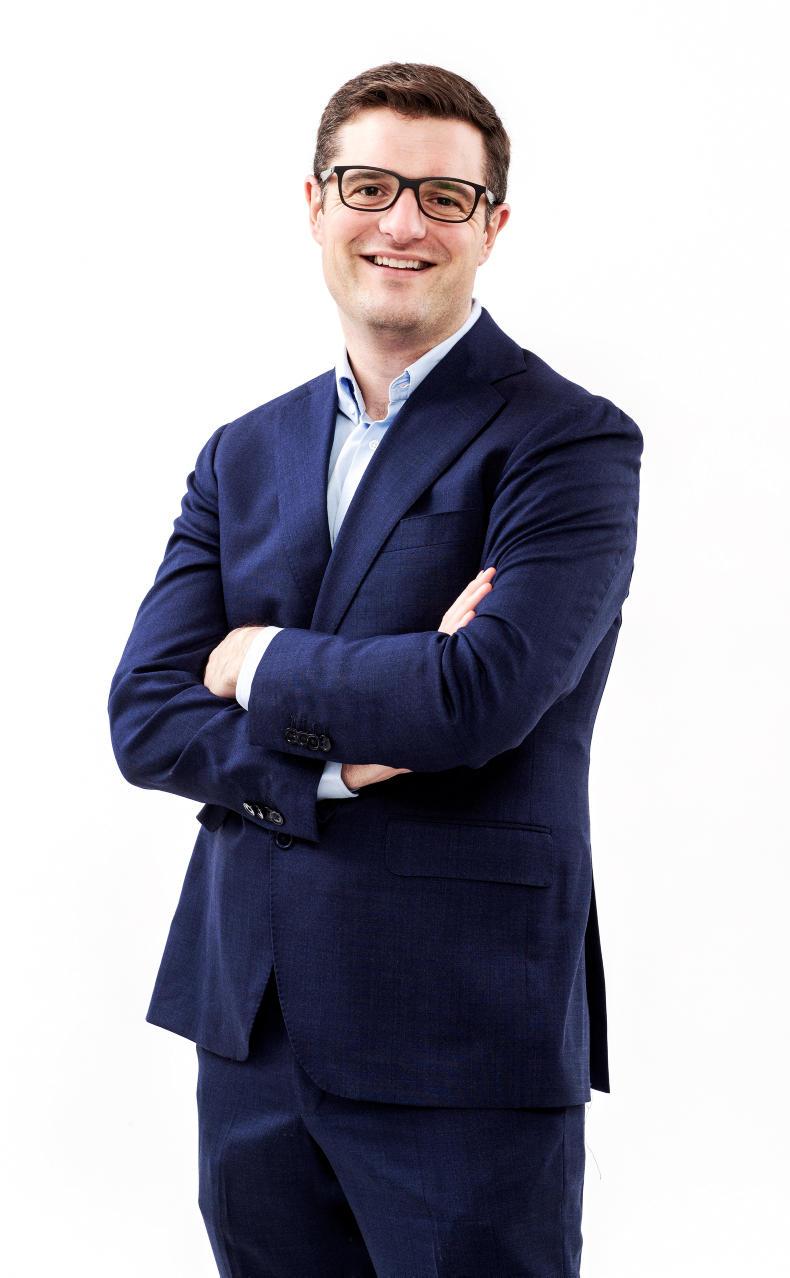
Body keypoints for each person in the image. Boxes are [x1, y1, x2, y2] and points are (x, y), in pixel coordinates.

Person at [108, 60, 643, 1278]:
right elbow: (145, 715)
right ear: (315, 204)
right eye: (368, 186)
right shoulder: (243, 451)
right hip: (248, 1020)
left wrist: (257, 656)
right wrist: (341, 760)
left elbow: (475, 698)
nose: (402, 223)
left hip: (460, 1022)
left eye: (444, 197)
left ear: (491, 225)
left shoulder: (567, 440)